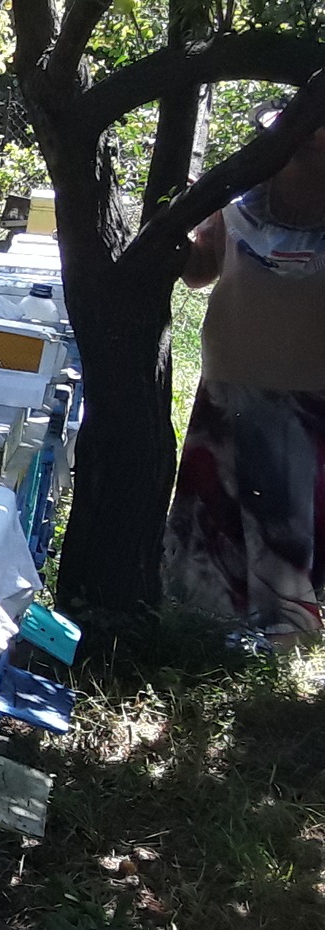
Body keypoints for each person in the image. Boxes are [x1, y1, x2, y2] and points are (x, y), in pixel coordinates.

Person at [165, 104, 325, 644]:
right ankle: (201, 619)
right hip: (229, 382)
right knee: (217, 506)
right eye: (294, 132)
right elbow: (197, 273)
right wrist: (177, 219)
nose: (303, 141)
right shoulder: (235, 203)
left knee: (285, 516)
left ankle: (285, 630)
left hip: (309, 395)